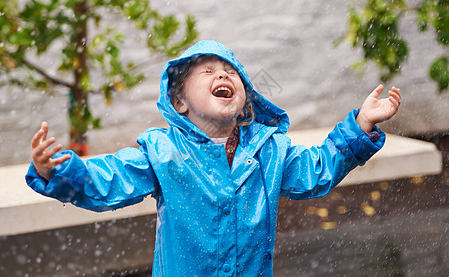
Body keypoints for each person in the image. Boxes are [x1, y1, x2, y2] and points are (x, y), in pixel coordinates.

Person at [27, 40, 401, 276]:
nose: (222, 74)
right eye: (207, 71)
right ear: (180, 102)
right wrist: (58, 170)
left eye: (230, 72)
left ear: (244, 104)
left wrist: (362, 124)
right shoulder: (164, 152)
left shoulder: (270, 151)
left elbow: (317, 170)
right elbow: (110, 178)